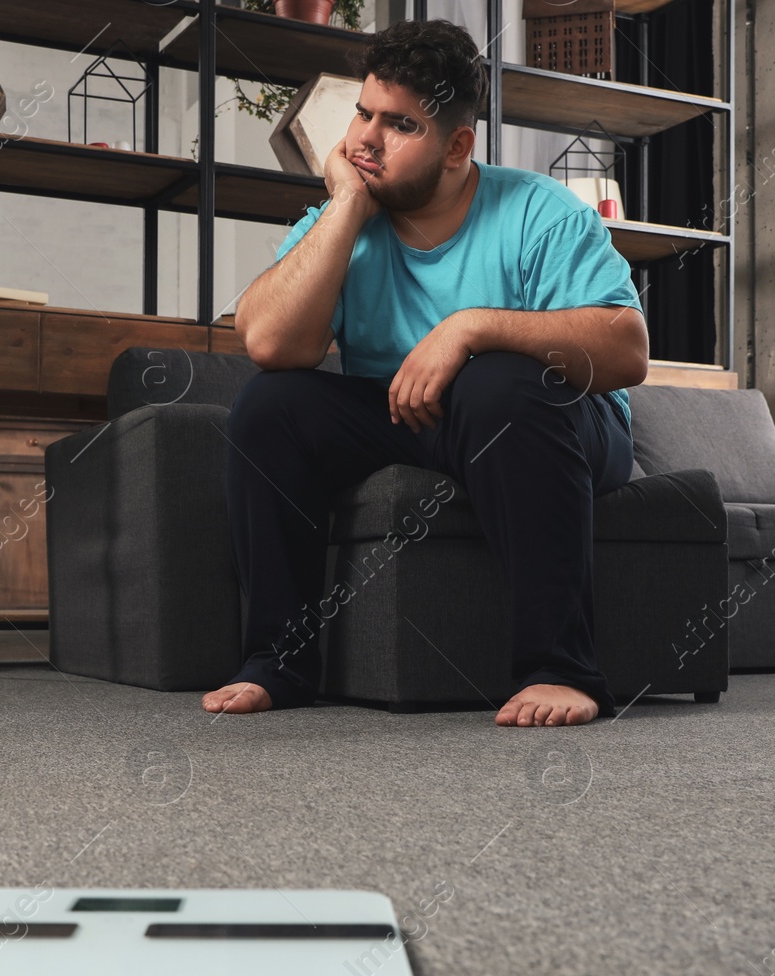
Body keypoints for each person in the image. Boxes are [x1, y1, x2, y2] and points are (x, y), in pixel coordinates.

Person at [202, 18, 649, 727]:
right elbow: (267, 342)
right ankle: (277, 664)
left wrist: (471, 327)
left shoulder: (539, 211)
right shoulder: (343, 218)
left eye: (399, 125)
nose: (365, 140)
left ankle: (561, 668)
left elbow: (627, 351)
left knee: (498, 381)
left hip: (549, 420)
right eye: (363, 113)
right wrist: (347, 204)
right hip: (409, 416)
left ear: (456, 147)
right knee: (270, 405)